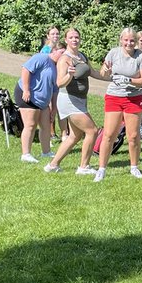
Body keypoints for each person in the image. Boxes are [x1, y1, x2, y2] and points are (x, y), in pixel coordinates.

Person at [94, 28, 142, 182]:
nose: (129, 43)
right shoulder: (113, 53)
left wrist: (129, 81)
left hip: (134, 98)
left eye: (132, 40)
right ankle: (101, 169)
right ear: (121, 40)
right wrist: (105, 70)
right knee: (109, 135)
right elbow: (103, 73)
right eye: (126, 40)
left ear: (136, 41)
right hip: (114, 96)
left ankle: (134, 167)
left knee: (133, 136)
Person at [43, 28, 103, 175]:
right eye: (71, 37)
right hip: (69, 100)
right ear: (66, 40)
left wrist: (111, 76)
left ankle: (52, 165)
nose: (75, 40)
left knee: (74, 136)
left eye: (77, 37)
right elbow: (59, 82)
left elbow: (94, 73)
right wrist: (69, 75)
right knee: (92, 131)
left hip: (80, 100)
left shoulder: (81, 56)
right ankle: (84, 167)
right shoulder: (65, 59)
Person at [15, 47, 63, 163]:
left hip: (43, 102)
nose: (63, 56)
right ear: (54, 51)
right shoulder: (41, 58)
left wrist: (54, 109)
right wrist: (26, 90)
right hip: (28, 96)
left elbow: (55, 90)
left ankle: (46, 152)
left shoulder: (58, 68)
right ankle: (26, 154)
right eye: (61, 52)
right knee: (30, 125)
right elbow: (26, 69)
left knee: (46, 126)